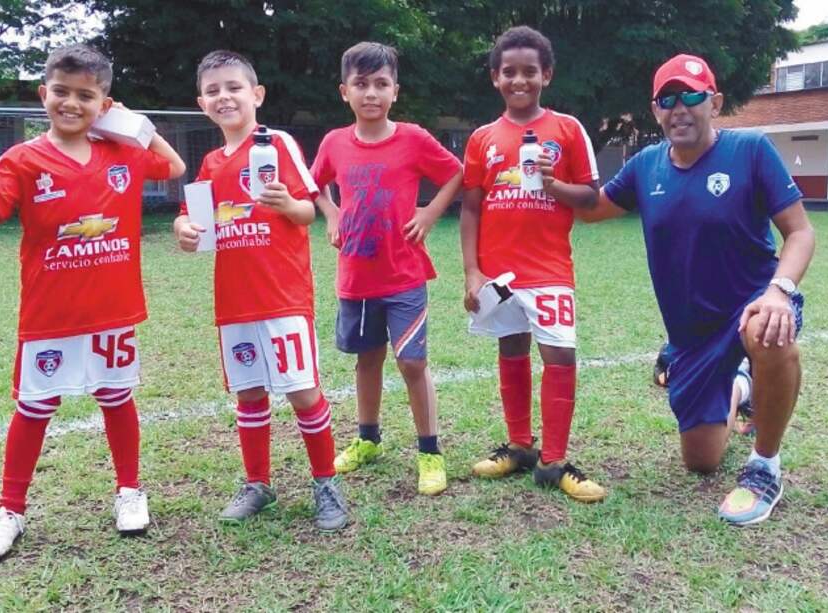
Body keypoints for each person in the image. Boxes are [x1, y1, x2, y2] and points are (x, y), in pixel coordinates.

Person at [0, 44, 186, 561]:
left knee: (117, 399)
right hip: (50, 316)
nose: (71, 103)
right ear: (44, 94)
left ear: (103, 103)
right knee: (34, 408)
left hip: (113, 311)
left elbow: (173, 166)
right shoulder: (23, 159)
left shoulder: (122, 152)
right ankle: (10, 509)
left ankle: (129, 490)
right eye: (61, 92)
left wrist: (132, 124)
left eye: (86, 96)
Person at [581, 53, 815, 525]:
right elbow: (590, 209)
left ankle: (764, 465)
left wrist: (779, 291)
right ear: (655, 110)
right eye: (668, 99)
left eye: (691, 95)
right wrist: (537, 181)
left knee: (768, 331)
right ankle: (742, 385)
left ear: (716, 102)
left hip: (753, 305)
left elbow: (801, 232)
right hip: (691, 338)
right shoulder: (646, 166)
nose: (680, 108)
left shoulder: (750, 150)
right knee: (701, 460)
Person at [173, 50, 348, 530]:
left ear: (257, 94)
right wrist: (184, 228)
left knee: (303, 393)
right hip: (235, 301)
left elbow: (307, 212)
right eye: (213, 91)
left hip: (282, 296)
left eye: (234, 87)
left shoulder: (276, 144)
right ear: (201, 103)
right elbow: (194, 221)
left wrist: (287, 203)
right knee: (249, 394)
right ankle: (257, 485)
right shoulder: (210, 162)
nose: (224, 97)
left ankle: (325, 483)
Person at [460, 26, 606, 502]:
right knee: (511, 348)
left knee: (560, 355)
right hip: (499, 273)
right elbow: (471, 208)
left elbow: (590, 197)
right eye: (509, 72)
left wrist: (553, 185)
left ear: (547, 74)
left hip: (549, 269)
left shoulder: (567, 129)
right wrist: (472, 272)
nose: (519, 80)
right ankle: (520, 446)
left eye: (529, 71)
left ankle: (554, 461)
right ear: (495, 77)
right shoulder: (482, 138)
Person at [310, 42, 462, 496]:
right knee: (368, 359)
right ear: (345, 91)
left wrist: (430, 213)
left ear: (395, 90)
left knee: (412, 362)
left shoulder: (413, 138)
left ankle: (430, 451)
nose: (371, 93)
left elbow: (456, 173)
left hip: (404, 276)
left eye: (381, 84)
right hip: (356, 278)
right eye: (361, 84)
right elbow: (312, 184)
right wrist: (332, 213)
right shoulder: (334, 142)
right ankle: (368, 439)